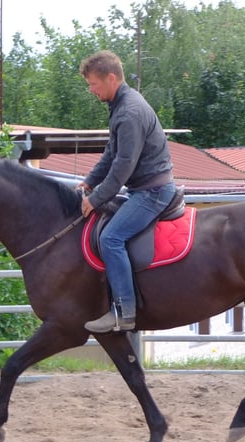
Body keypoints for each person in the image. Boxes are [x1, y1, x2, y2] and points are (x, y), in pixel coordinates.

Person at [75, 50, 176, 333]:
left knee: (111, 238)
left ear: (111, 78)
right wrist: (89, 182)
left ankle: (124, 311)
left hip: (152, 191)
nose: (92, 90)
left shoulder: (129, 112)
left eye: (94, 84)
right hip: (144, 187)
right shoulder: (121, 107)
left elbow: (123, 165)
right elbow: (111, 153)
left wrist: (95, 199)